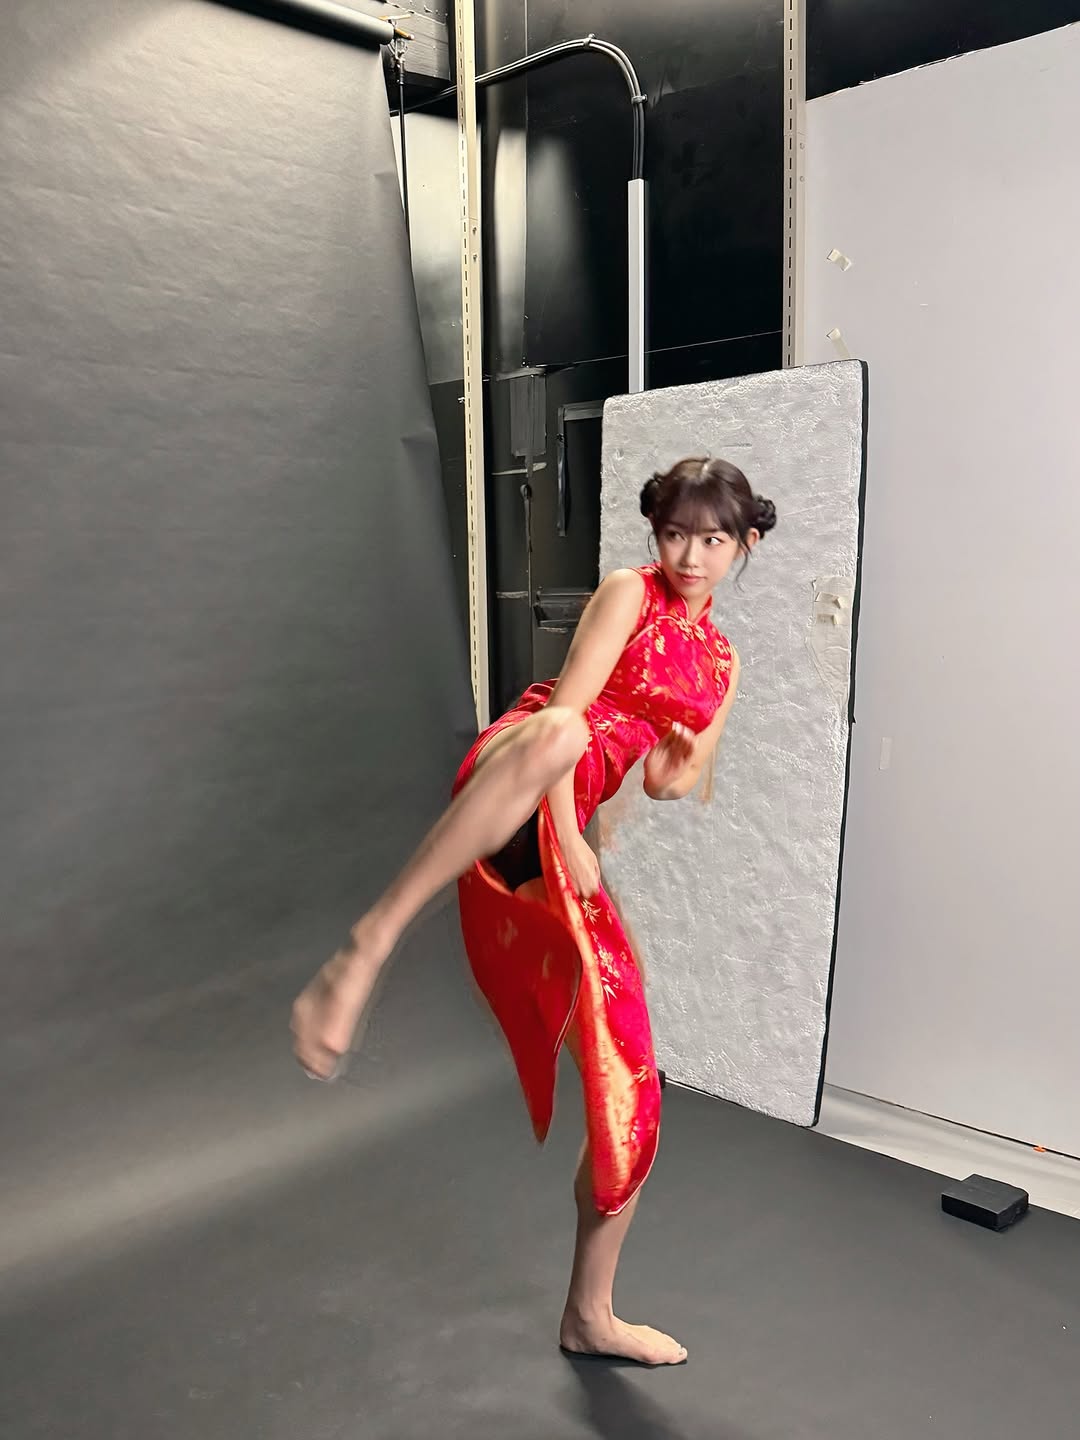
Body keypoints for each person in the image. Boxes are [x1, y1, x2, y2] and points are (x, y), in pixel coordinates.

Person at [291, 456, 777, 1366]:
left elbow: (669, 781)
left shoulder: (724, 661)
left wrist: (676, 763)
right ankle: (367, 945)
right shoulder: (629, 592)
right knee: (558, 733)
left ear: (744, 543)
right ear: (656, 535)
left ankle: (589, 1315)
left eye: (713, 540)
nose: (689, 557)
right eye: (675, 534)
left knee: (632, 1093)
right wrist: (570, 833)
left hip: (566, 830)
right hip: (520, 771)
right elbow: (571, 711)